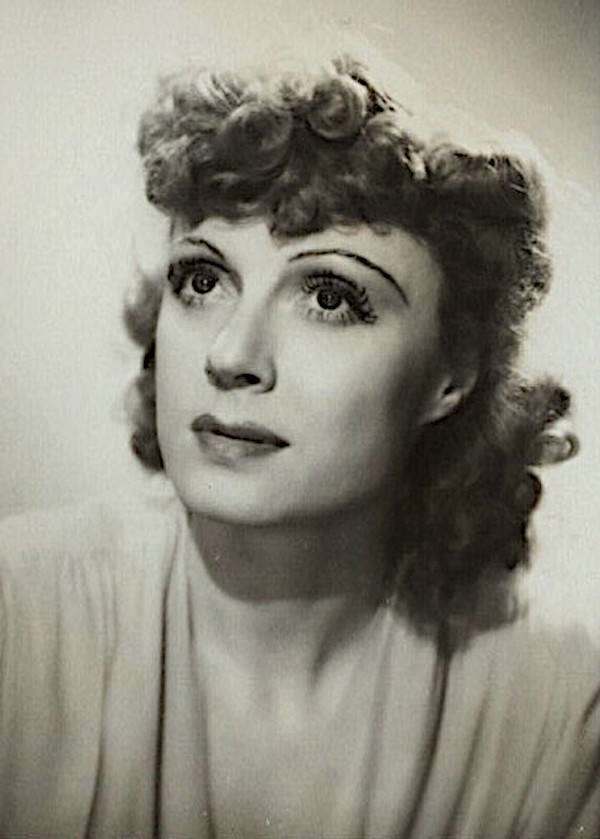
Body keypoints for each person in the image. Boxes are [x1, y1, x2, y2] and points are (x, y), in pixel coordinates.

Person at [1, 50, 598, 838]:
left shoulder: (557, 710)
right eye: (202, 281)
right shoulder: (17, 622)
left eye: (328, 296)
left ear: (450, 377)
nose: (230, 355)